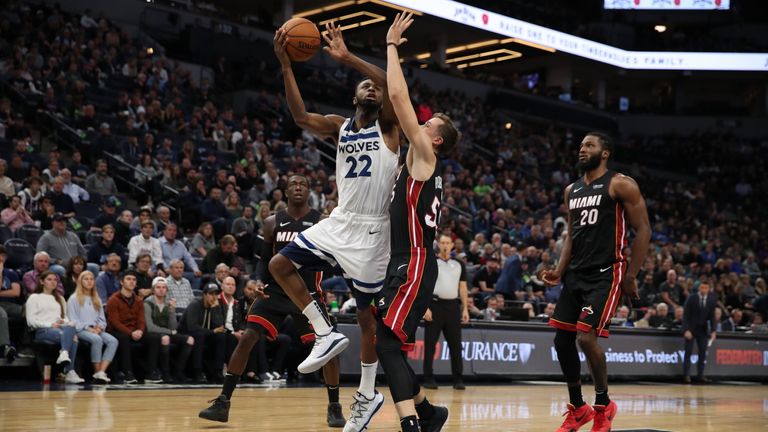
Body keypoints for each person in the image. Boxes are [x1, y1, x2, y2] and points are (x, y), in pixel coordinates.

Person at [267, 22, 402, 431]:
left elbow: (391, 83)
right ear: (354, 96)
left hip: (373, 232)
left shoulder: (390, 127)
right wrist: (286, 64)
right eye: (364, 86)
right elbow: (299, 115)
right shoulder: (340, 126)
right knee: (279, 264)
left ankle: (367, 393)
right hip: (340, 219)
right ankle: (324, 331)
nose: (371, 89)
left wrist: (348, 59)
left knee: (366, 320)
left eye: (374, 87)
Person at [200, 175, 345, 428]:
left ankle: (334, 406)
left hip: (308, 294)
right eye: (293, 184)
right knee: (246, 338)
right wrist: (257, 281)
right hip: (275, 292)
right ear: (285, 191)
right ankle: (223, 402)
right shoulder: (271, 223)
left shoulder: (321, 221)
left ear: (309, 190)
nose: (298, 187)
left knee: (328, 350)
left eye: (303, 184)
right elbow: (264, 260)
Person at [372, 13, 459, 431]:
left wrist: (391, 45)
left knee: (386, 342)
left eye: (428, 126)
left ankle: (411, 422)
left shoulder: (426, 156)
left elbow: (398, 96)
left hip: (416, 260)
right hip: (406, 260)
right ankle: (427, 412)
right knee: (387, 340)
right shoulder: (418, 162)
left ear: (436, 139)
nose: (419, 126)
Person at [542, 132, 651, 432]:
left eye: (589, 146)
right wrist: (559, 270)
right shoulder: (572, 190)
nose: (582, 150)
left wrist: (631, 275)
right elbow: (571, 236)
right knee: (561, 340)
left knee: (586, 337)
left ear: (605, 153)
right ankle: (578, 408)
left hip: (606, 273)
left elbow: (643, 230)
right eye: (580, 146)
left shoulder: (620, 184)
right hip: (576, 273)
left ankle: (604, 404)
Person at [422, 234, 469, 391]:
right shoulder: (432, 263)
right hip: (434, 306)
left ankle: (458, 379)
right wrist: (425, 307)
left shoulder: (459, 264)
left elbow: (462, 287)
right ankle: (428, 377)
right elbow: (425, 286)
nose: (445, 245)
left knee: (456, 345)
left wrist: (465, 308)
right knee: (430, 345)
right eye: (442, 242)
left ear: (452, 245)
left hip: (453, 307)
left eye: (447, 243)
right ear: (438, 245)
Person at [26, 271, 85, 383]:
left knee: (71, 325)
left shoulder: (60, 298)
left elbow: (66, 318)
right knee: (72, 338)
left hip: (59, 328)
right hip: (42, 330)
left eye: (55, 280)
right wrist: (50, 324)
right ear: (42, 281)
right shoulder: (34, 297)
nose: (53, 282)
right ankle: (69, 371)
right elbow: (31, 322)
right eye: (49, 279)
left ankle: (64, 354)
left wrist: (62, 321)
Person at [106, 270, 163, 384]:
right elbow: (115, 322)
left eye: (134, 280)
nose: (132, 282)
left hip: (134, 331)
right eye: (128, 279)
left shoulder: (138, 300)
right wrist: (131, 333)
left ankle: (151, 373)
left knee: (155, 338)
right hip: (116, 331)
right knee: (124, 338)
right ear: (122, 282)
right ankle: (128, 373)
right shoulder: (113, 299)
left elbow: (141, 320)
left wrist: (140, 331)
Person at [66, 271, 118, 384]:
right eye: (86, 279)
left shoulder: (96, 299)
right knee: (97, 340)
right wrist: (88, 328)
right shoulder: (73, 298)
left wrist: (100, 327)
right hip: (80, 330)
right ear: (80, 281)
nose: (89, 281)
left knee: (113, 341)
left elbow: (102, 319)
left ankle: (101, 372)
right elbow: (73, 320)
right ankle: (97, 371)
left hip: (96, 329)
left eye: (91, 279)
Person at [144, 277, 193, 383]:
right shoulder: (147, 303)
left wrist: (172, 310)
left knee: (189, 339)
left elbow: (173, 326)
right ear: (153, 289)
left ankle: (178, 372)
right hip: (153, 334)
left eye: (164, 287)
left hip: (167, 332)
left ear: (167, 290)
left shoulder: (168, 303)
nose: (161, 289)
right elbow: (150, 327)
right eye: (158, 287)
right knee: (165, 338)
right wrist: (170, 332)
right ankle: (166, 373)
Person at [181, 283, 226, 383]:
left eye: (216, 294)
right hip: (186, 334)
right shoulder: (195, 304)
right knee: (199, 335)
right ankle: (197, 372)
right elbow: (192, 327)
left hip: (204, 334)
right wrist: (213, 331)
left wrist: (214, 309)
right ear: (204, 295)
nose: (214, 297)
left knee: (221, 337)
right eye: (211, 294)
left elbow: (220, 326)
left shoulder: (215, 305)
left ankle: (218, 372)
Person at [682, 282, 716, 384]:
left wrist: (713, 330)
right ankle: (686, 375)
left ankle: (700, 375)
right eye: (702, 287)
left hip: (703, 330)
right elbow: (685, 315)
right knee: (688, 352)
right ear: (699, 288)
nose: (703, 289)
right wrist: (685, 330)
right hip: (691, 329)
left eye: (706, 288)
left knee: (702, 353)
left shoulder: (711, 300)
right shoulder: (692, 298)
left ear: (709, 289)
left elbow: (712, 317)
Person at [0, 246, 22, 362]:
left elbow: (16, 292)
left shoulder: (11, 273)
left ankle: (26, 346)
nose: (1, 258)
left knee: (27, 311)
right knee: (2, 314)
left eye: (3, 256)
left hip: (10, 304)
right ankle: (5, 347)